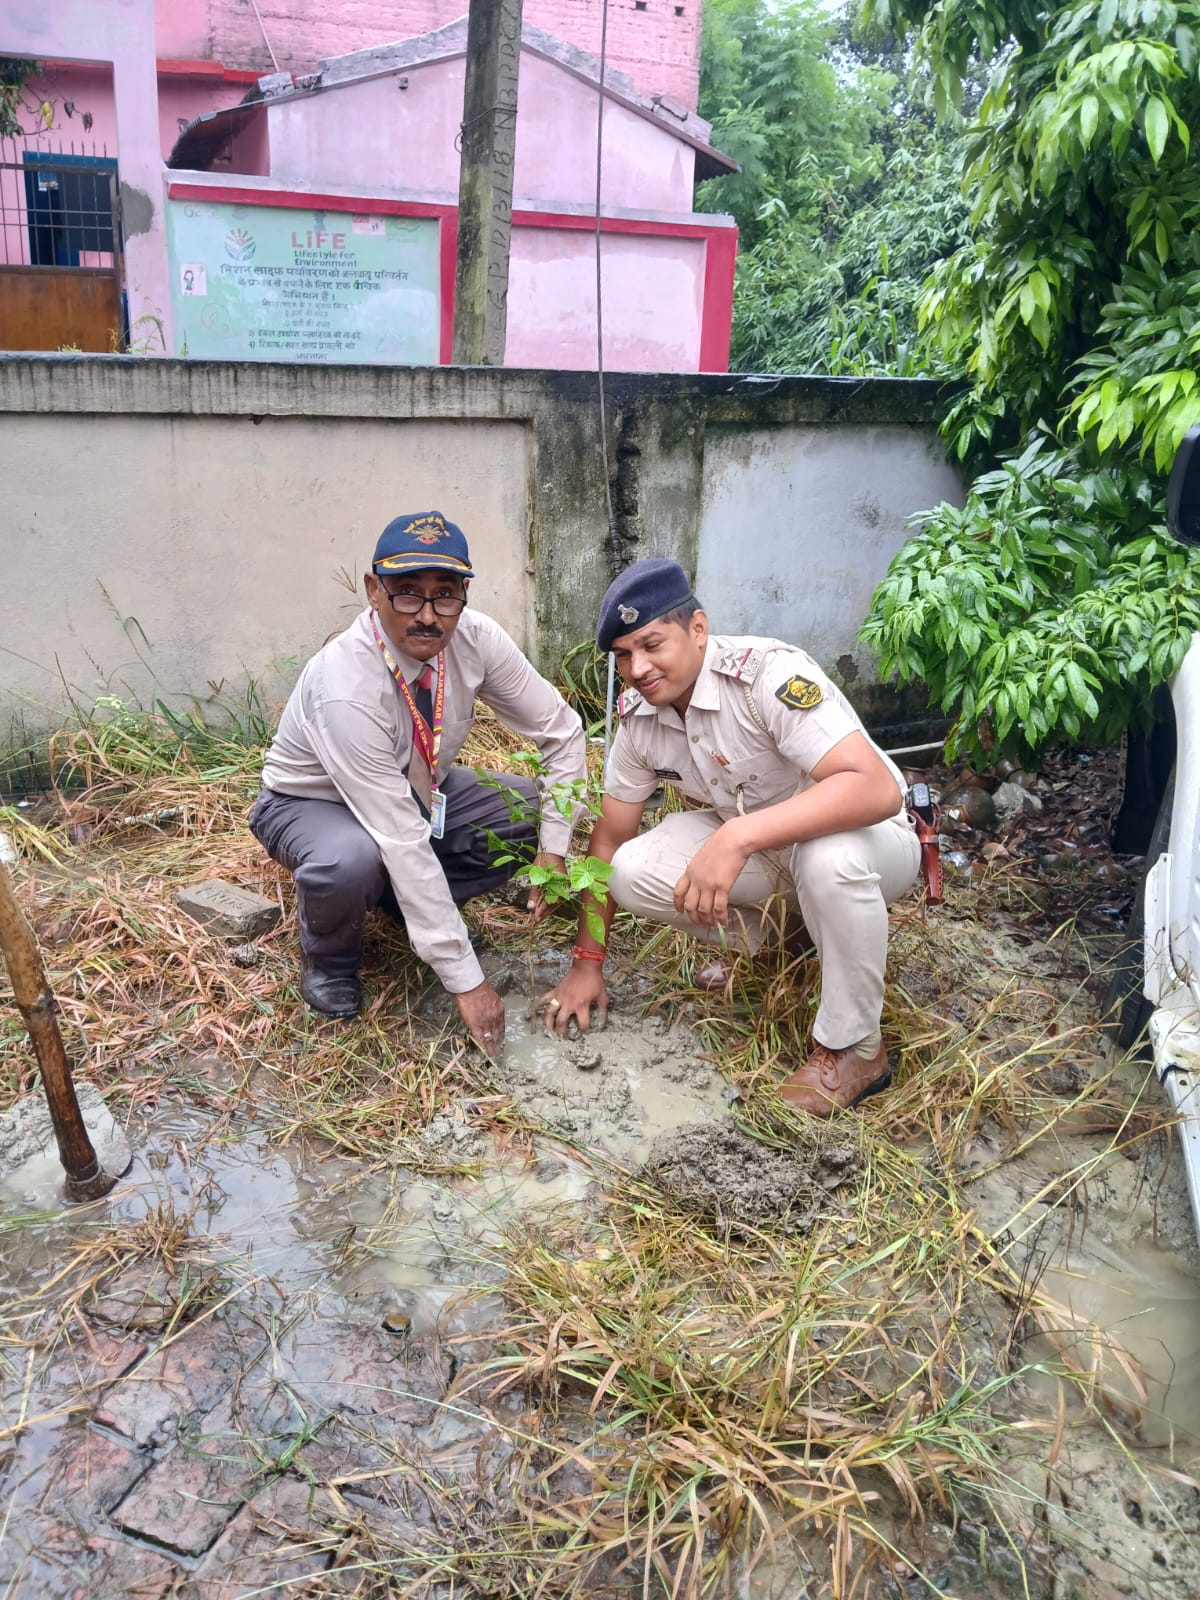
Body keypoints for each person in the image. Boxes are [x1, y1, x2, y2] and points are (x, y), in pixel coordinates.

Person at [540, 558, 920, 1116]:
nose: (637, 668)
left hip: (868, 839)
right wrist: (586, 962)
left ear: (698, 629)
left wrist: (738, 836)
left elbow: (875, 789)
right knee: (630, 870)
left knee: (827, 858)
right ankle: (788, 944)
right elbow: (608, 840)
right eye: (622, 655)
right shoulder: (640, 718)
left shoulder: (765, 677)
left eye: (651, 645)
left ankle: (857, 1049)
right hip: (773, 848)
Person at [250, 511, 586, 1053]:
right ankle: (330, 961)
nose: (428, 616)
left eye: (445, 595)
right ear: (373, 590)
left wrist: (554, 852)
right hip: (311, 803)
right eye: (407, 593)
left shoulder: (476, 640)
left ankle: (401, 906)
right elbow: (401, 837)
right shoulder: (346, 686)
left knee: (528, 810)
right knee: (350, 859)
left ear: (464, 595)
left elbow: (563, 732)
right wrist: (467, 980)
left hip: (419, 790)